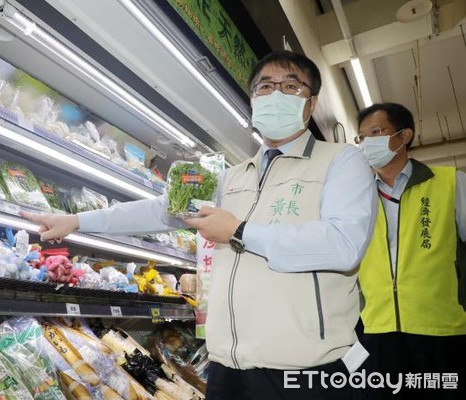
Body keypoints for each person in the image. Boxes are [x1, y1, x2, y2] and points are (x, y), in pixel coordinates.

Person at [23, 50, 378, 399]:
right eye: (265, 87)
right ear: (254, 101)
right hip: (227, 366)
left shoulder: (343, 161)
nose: (276, 94)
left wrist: (240, 231)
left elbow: (343, 244)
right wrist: (76, 220)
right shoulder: (229, 177)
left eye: (290, 86)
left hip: (305, 369)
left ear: (311, 103)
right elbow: (163, 211)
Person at [355, 103, 466, 400]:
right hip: (376, 330)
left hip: (441, 330)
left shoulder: (450, 183)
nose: (367, 143)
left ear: (404, 136)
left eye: (376, 132)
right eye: (361, 137)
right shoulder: (356, 198)